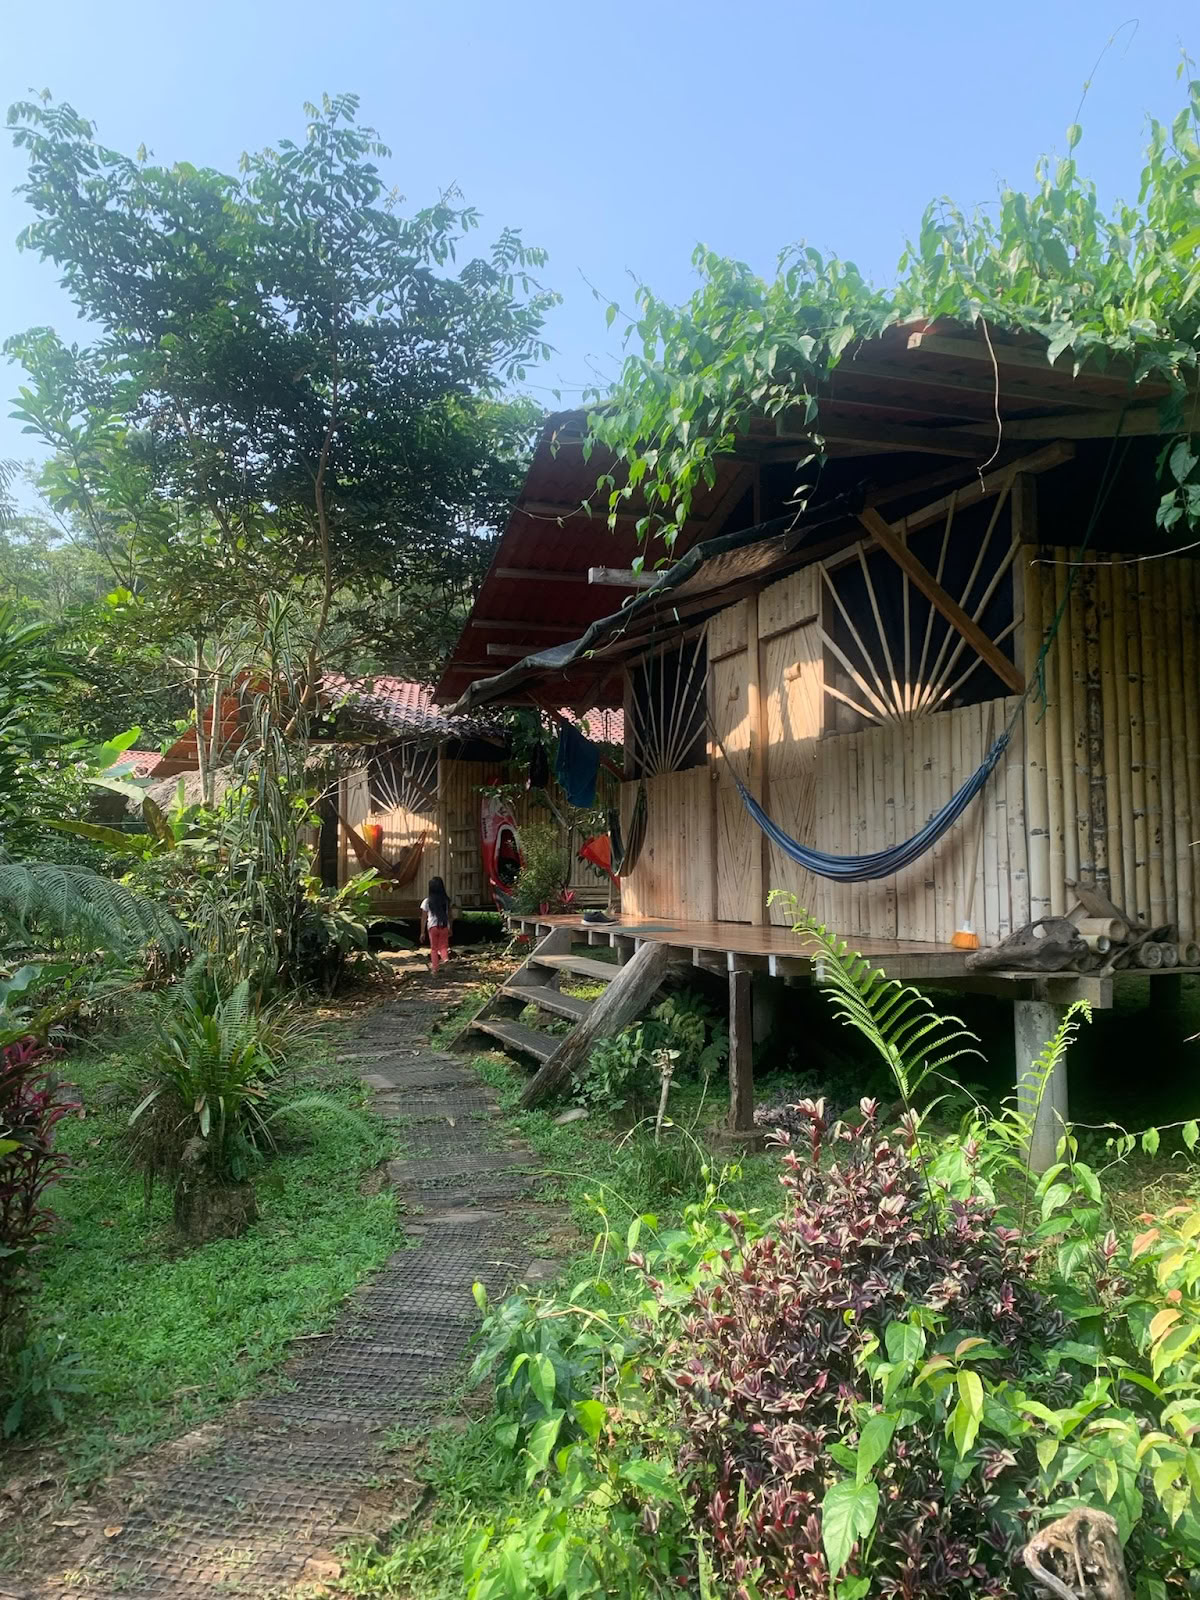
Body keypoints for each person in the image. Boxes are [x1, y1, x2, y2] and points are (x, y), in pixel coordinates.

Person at [419, 876, 454, 975]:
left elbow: (423, 918)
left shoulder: (427, 901)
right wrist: (450, 928)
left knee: (434, 949)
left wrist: (422, 932)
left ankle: (435, 969)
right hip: (444, 926)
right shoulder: (446, 901)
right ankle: (445, 959)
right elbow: (450, 916)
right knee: (443, 946)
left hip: (432, 927)